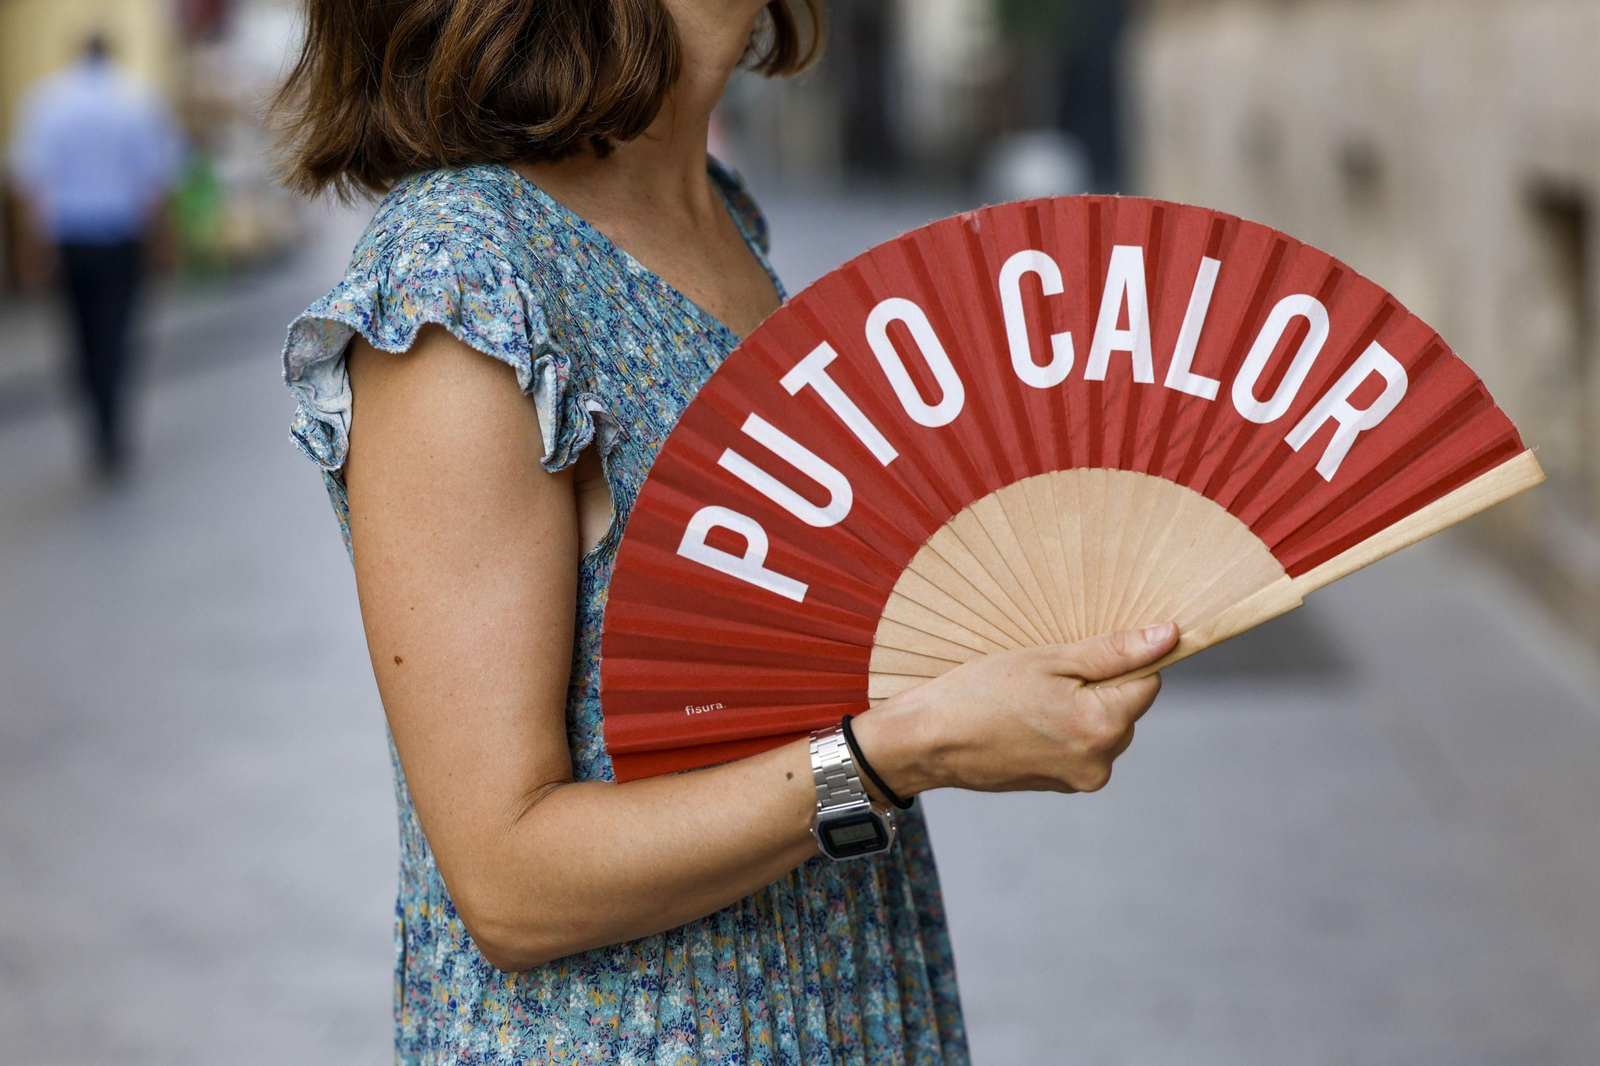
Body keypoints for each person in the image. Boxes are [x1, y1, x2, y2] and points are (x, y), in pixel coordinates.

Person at [274, 2, 1178, 1061]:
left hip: (842, 989)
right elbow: (509, 882)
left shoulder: (715, 209)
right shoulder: (463, 276)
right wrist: (905, 748)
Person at [9, 34, 183, 477]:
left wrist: (30, 251)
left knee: (80, 337)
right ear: (112, 56)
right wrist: (163, 242)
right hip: (120, 241)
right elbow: (157, 181)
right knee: (118, 334)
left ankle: (97, 419)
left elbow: (30, 182)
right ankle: (111, 423)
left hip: (68, 242)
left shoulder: (46, 103)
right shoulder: (137, 100)